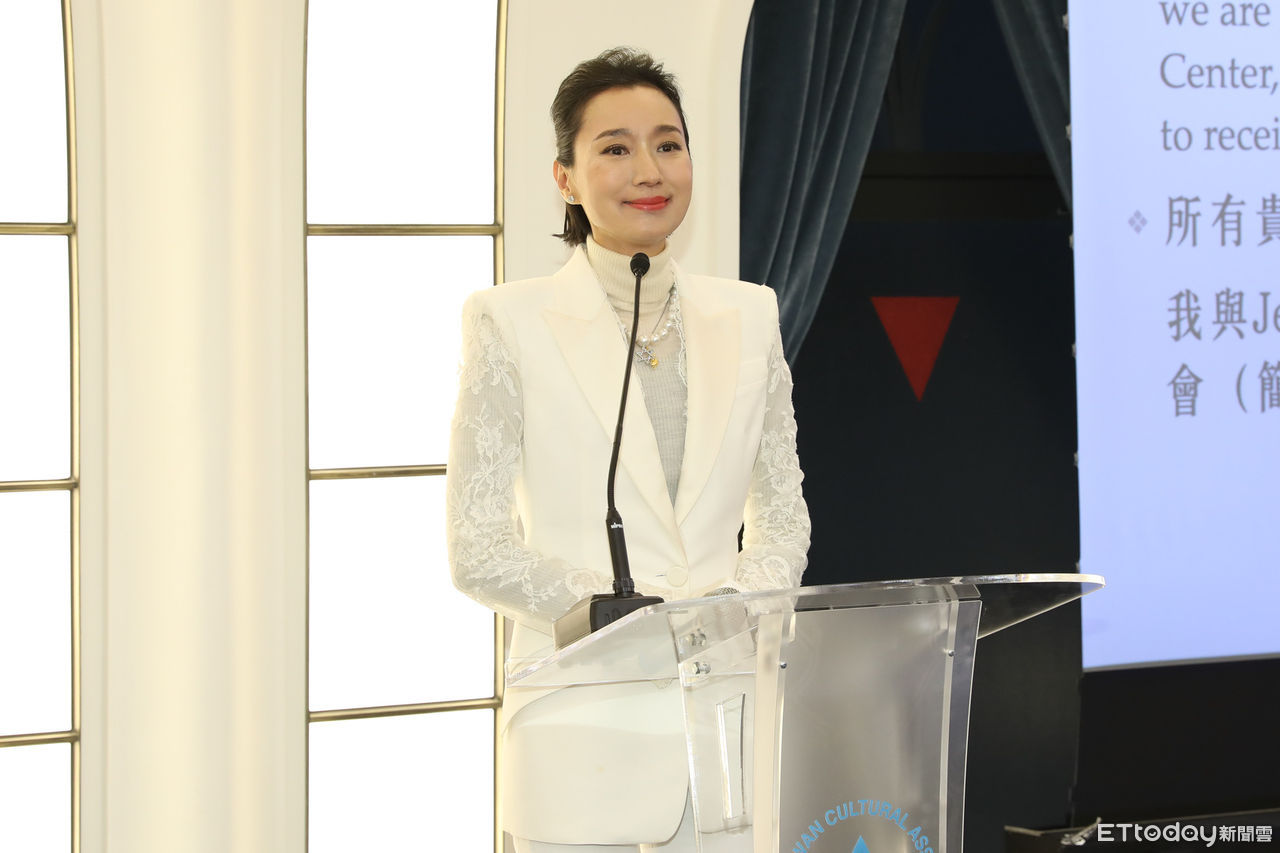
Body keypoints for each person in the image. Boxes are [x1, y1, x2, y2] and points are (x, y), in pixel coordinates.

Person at [446, 47, 810, 852]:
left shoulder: (751, 315)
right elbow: (477, 547)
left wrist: (732, 605)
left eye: (668, 144)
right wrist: (620, 615)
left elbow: (783, 517)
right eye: (615, 147)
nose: (649, 169)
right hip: (582, 734)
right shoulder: (508, 322)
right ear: (567, 177)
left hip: (728, 735)